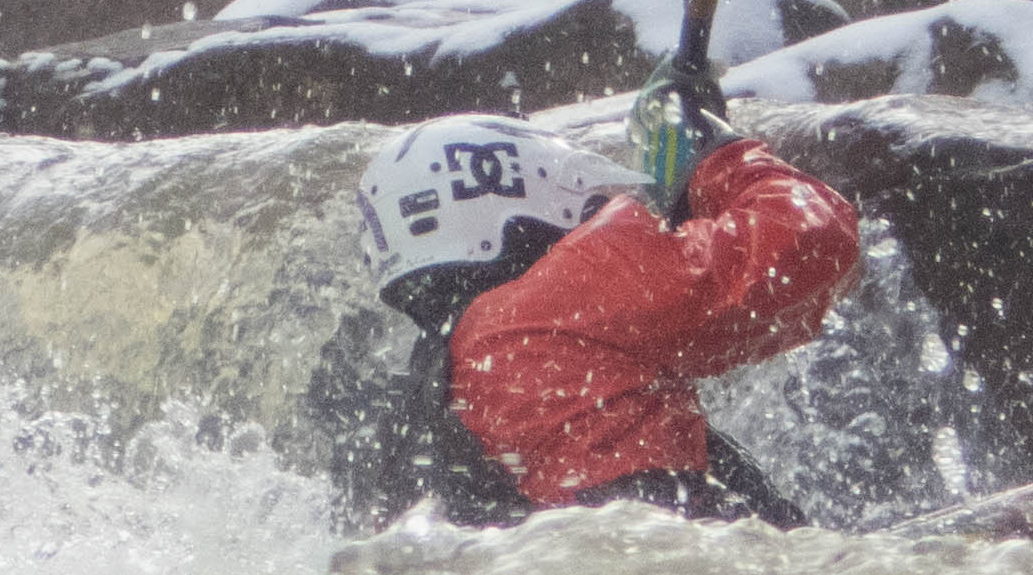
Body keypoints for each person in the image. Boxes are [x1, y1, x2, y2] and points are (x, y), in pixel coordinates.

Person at [350, 84, 859, 526]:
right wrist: (718, 155)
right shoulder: (573, 284)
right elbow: (813, 239)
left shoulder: (442, 375)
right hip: (670, 568)